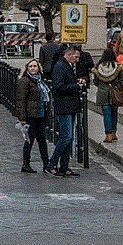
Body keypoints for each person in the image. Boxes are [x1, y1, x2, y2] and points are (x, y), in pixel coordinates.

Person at [46, 46, 85, 177]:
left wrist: (76, 82)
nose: (78, 59)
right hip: (64, 106)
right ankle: (52, 164)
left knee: (70, 138)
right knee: (66, 136)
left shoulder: (67, 66)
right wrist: (76, 86)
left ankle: (64, 166)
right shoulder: (59, 66)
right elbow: (58, 86)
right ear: (69, 55)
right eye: (76, 56)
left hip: (70, 106)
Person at [15, 58, 49, 174]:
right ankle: (26, 164)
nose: (33, 68)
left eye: (35, 66)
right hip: (30, 116)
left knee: (42, 140)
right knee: (29, 140)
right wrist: (22, 118)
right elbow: (21, 100)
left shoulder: (39, 81)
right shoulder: (24, 81)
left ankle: (46, 164)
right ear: (27, 68)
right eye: (31, 66)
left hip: (40, 114)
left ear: (39, 68)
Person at [91, 48, 123, 143]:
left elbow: (96, 81)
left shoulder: (98, 67)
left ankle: (108, 135)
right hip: (115, 93)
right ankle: (113, 133)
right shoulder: (117, 67)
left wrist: (101, 86)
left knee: (106, 114)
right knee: (114, 113)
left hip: (103, 93)